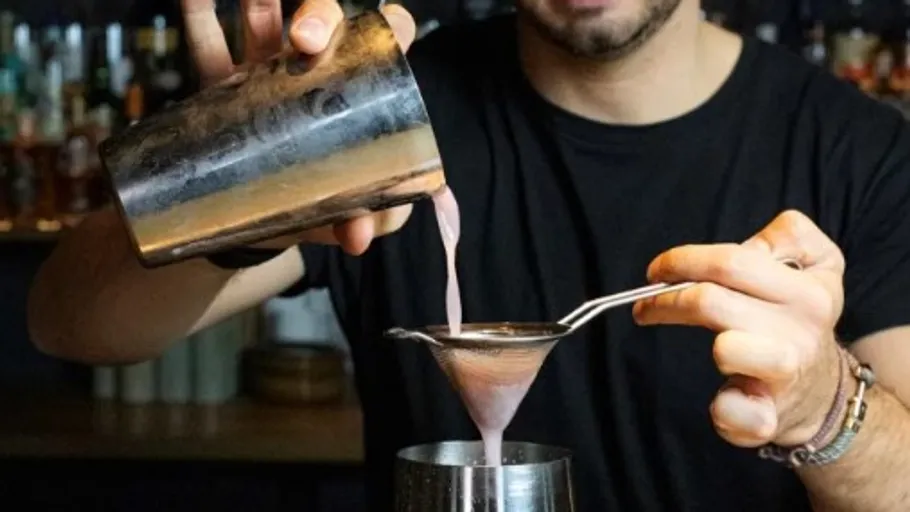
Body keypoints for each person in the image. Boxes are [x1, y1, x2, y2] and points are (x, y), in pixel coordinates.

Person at [27, 0, 910, 509]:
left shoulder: (858, 153)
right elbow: (70, 322)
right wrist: (234, 170)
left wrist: (830, 407)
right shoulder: (378, 118)